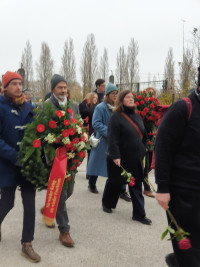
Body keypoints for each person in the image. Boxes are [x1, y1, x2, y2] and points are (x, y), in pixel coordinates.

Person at [155, 85, 200, 267]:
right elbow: (163, 148)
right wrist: (163, 187)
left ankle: (176, 261)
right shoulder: (183, 108)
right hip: (183, 192)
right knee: (189, 249)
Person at [0, 71, 41, 262]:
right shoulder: (0, 107)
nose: (18, 87)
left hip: (27, 165)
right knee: (8, 202)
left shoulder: (29, 107)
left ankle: (27, 243)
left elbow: (35, 132)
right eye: (14, 84)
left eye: (20, 83)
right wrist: (15, 156)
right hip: (7, 164)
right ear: (5, 87)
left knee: (30, 203)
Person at [102, 90, 152, 225]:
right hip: (120, 158)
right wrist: (115, 156)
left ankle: (139, 214)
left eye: (132, 97)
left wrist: (145, 147)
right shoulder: (116, 117)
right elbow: (113, 139)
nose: (131, 99)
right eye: (128, 97)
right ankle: (107, 203)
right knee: (115, 182)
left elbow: (144, 135)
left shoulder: (137, 116)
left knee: (136, 185)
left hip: (135, 157)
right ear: (121, 100)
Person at [45, 74, 79, 247]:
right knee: (61, 193)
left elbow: (78, 125)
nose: (63, 90)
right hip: (55, 159)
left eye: (65, 87)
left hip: (71, 156)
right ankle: (64, 230)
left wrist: (80, 141)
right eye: (59, 87)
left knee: (69, 190)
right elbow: (41, 132)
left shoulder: (73, 105)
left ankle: (49, 206)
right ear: (53, 89)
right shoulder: (47, 106)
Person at [87, 83, 118, 193]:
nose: (115, 96)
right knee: (96, 163)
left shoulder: (117, 107)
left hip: (114, 142)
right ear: (107, 94)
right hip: (102, 140)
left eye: (116, 93)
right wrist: (110, 132)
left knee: (114, 166)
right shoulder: (100, 107)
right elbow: (96, 123)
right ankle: (91, 184)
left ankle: (119, 189)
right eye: (113, 93)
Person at [79, 92, 98, 178]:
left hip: (92, 131)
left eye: (96, 98)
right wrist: (87, 100)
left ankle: (89, 172)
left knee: (91, 152)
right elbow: (83, 110)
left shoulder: (94, 107)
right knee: (83, 151)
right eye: (94, 98)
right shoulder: (85, 106)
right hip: (86, 130)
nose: (95, 100)